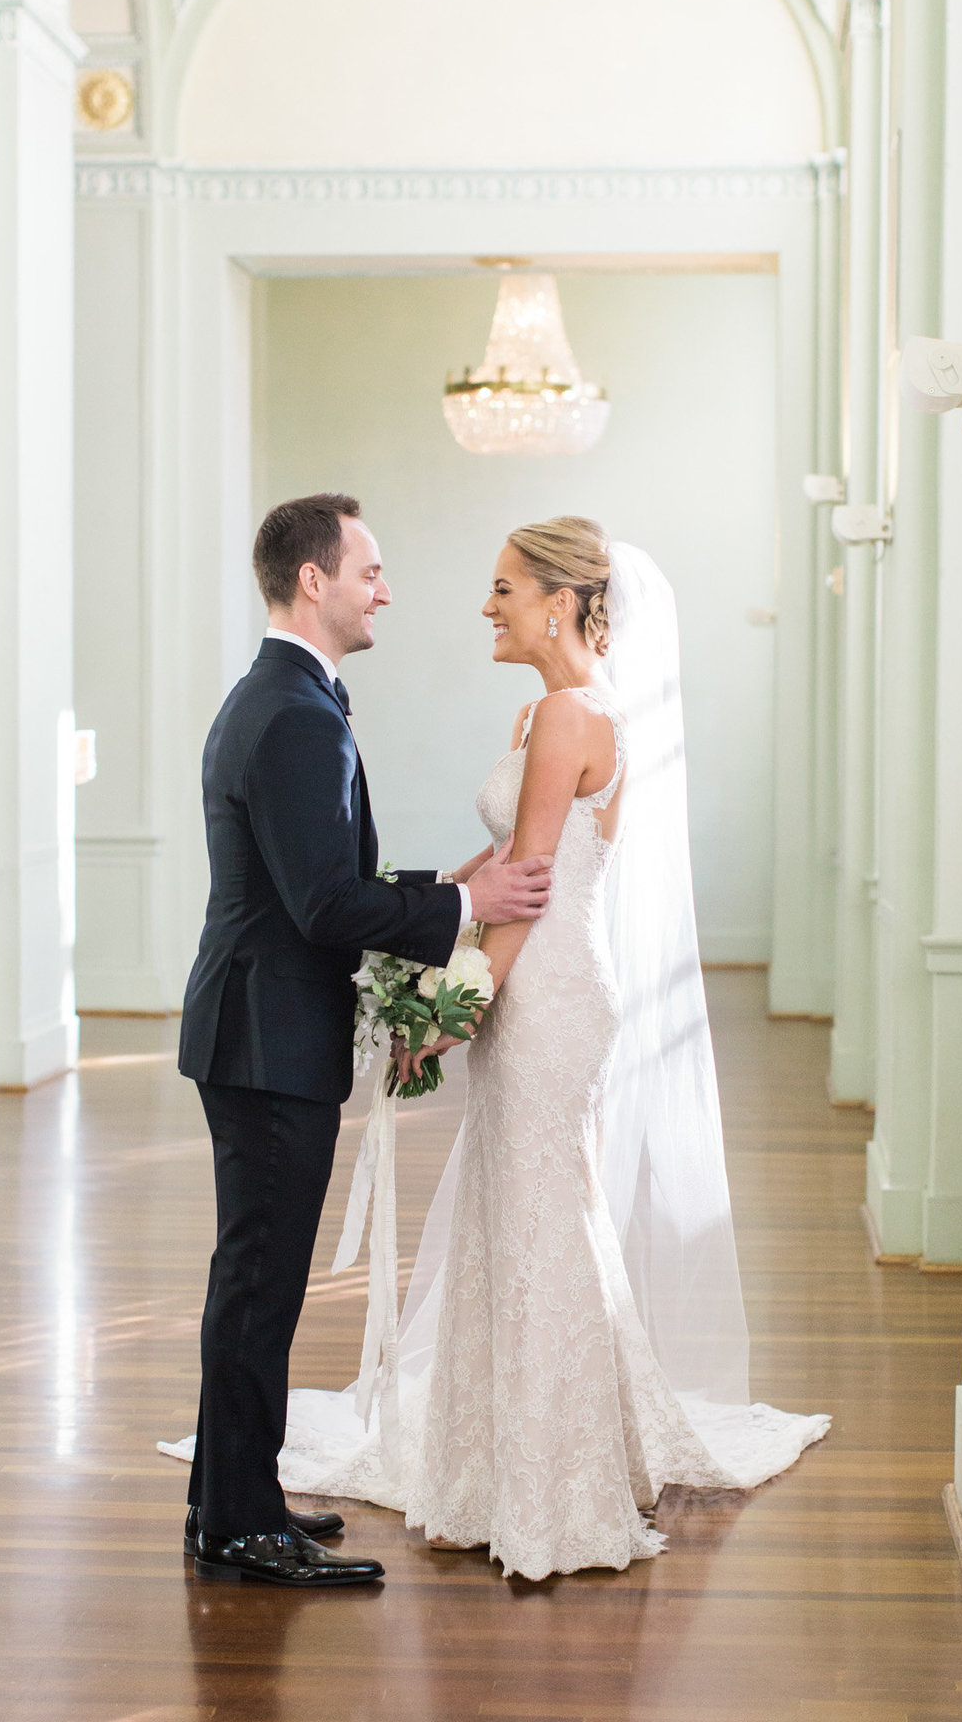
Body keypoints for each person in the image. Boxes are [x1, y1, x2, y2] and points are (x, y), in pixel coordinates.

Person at [269, 515, 831, 1582]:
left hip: (548, 990)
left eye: (504, 588)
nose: (488, 606)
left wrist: (449, 1010)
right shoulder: (544, 715)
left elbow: (525, 891)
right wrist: (421, 919)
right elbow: (494, 862)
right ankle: (520, 1464)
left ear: (563, 603)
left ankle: (552, 1487)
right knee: (527, 1218)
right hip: (536, 982)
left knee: (542, 1225)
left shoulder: (575, 715)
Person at [174, 493, 553, 1588]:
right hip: (263, 1037)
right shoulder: (293, 712)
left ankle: (228, 1498)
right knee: (260, 1282)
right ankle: (239, 1523)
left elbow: (322, 882)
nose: (385, 588)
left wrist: (445, 883)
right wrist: (464, 916)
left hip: (258, 1030)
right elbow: (323, 909)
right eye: (370, 570)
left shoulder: (289, 697)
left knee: (253, 1278)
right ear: (314, 581)